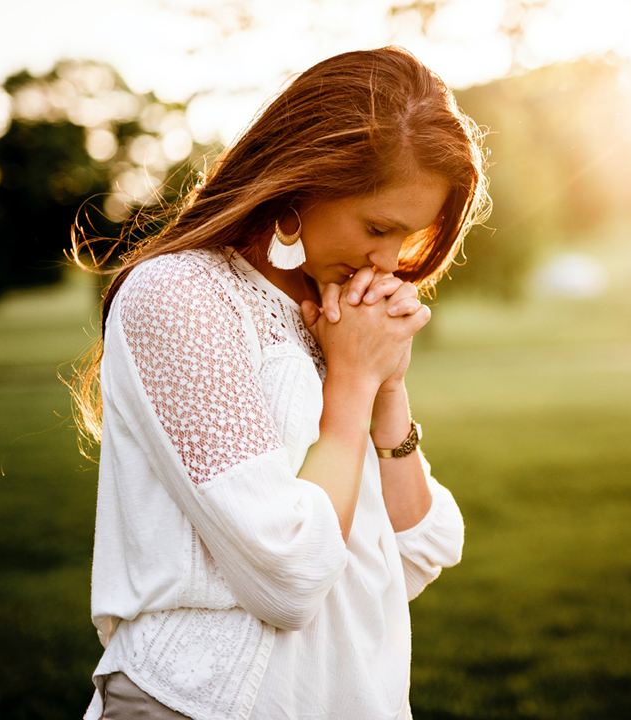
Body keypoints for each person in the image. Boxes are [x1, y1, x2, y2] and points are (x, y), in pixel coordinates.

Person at [71, 47, 490, 720]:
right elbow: (290, 574)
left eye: (408, 237)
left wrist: (386, 385)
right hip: (198, 705)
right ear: (302, 183)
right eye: (378, 227)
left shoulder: (336, 313)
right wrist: (351, 384)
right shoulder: (183, 296)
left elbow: (419, 549)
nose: (389, 261)